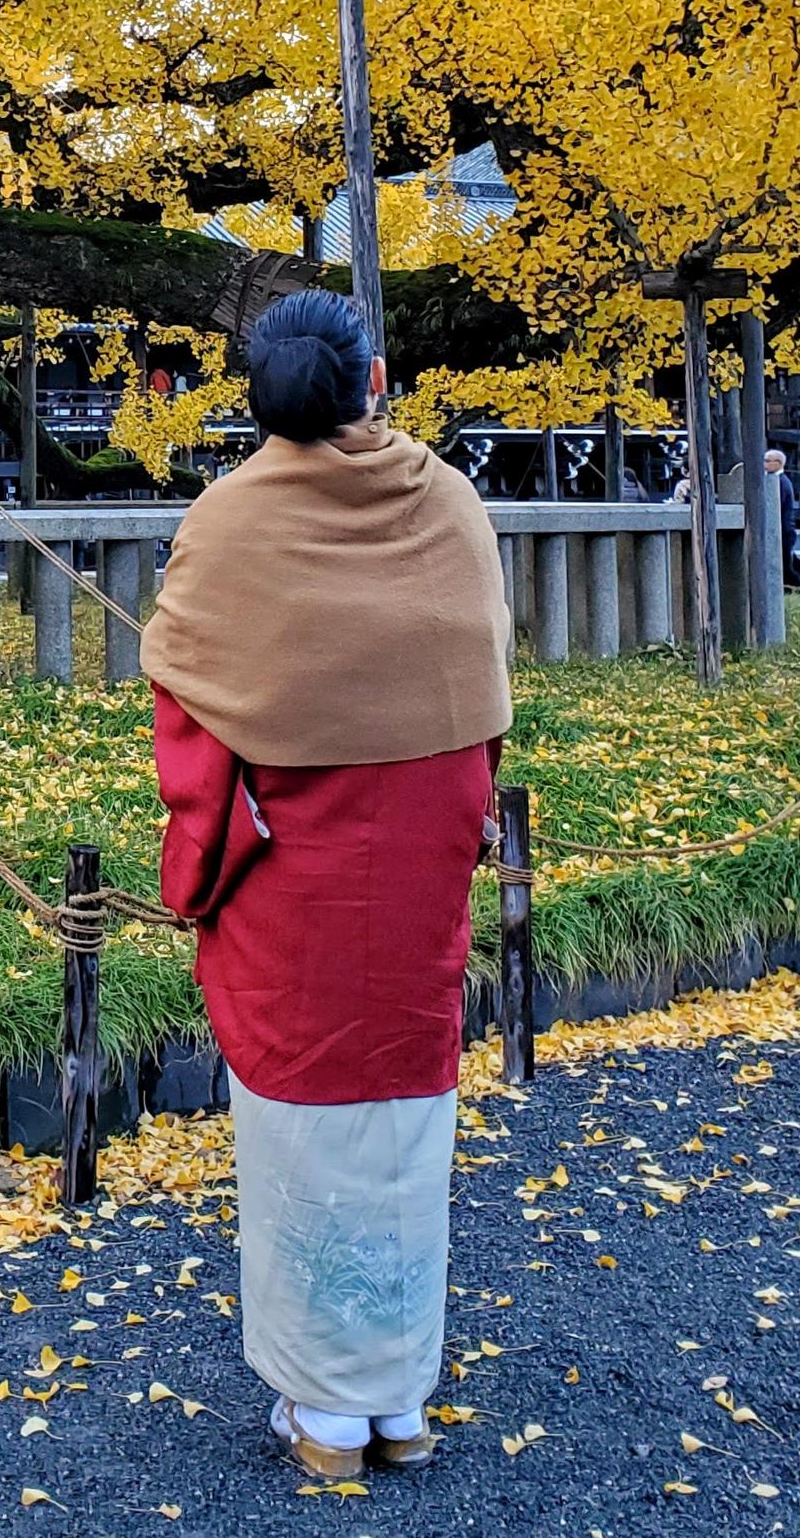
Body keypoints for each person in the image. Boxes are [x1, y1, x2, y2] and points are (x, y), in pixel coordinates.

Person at [143, 289, 510, 1483]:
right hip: (409, 887)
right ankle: (395, 1402)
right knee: (402, 1135)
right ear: (377, 377)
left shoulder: (225, 522)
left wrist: (202, 864)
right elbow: (479, 725)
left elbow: (192, 739)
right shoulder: (449, 506)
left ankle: (324, 1417)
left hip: (289, 889)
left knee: (303, 1136)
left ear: (256, 395)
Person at [765, 446, 800, 591]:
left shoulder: (780, 482)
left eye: (767, 461)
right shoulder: (776, 480)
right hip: (782, 529)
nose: (764, 463)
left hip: (783, 529)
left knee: (784, 564)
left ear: (778, 463)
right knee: (786, 561)